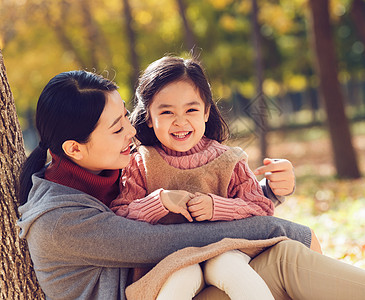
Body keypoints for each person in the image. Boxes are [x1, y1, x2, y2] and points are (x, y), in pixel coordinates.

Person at [17, 70, 365, 300]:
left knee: (283, 261)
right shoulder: (59, 219)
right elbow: (165, 241)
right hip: (163, 290)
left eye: (125, 118)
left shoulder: (108, 171)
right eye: (117, 128)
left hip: (187, 282)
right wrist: (285, 227)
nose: (132, 131)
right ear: (74, 148)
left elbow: (199, 197)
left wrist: (265, 194)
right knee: (282, 252)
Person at [109, 56, 321, 300]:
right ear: (148, 116)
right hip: (166, 261)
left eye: (191, 109)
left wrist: (216, 207)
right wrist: (160, 202)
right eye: (166, 112)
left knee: (232, 268)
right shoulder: (140, 162)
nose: (180, 121)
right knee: (182, 276)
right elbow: (121, 216)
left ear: (206, 111)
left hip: (225, 250)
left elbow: (261, 207)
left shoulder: (228, 159)